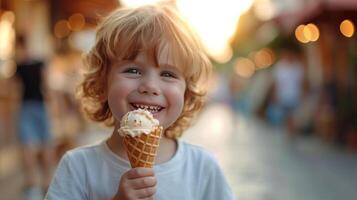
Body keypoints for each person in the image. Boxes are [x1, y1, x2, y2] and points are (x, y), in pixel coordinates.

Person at [45, 4, 234, 200]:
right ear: (102, 83)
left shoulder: (203, 168)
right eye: (133, 70)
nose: (150, 86)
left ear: (186, 93)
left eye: (168, 74)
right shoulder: (78, 167)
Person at [15, 35, 55, 200]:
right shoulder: (40, 63)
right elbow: (46, 86)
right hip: (41, 106)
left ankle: (31, 184)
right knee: (46, 143)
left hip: (26, 107)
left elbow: (14, 89)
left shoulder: (19, 66)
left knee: (27, 146)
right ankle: (47, 182)